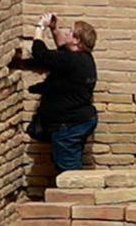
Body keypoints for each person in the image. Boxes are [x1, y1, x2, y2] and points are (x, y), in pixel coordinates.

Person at [10, 15, 99, 195]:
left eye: (71, 32)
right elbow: (61, 51)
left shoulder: (70, 61)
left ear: (77, 41)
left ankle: (72, 205)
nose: (67, 32)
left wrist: (40, 28)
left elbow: (41, 54)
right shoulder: (84, 58)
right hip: (82, 120)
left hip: (69, 125)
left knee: (69, 175)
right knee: (71, 167)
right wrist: (54, 29)